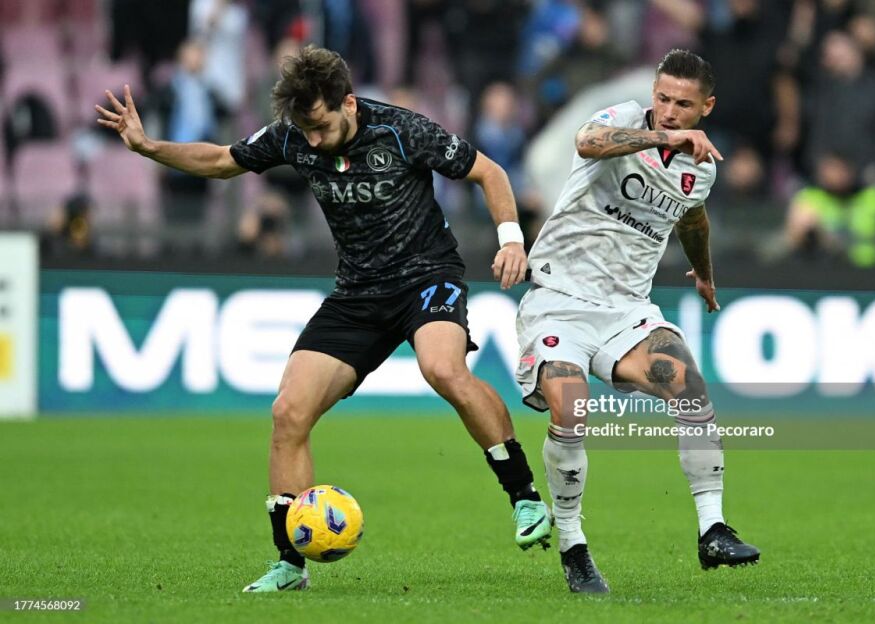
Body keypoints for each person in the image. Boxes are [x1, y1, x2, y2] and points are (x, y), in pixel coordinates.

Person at [96, 45, 551, 593]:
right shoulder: (291, 134)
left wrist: (511, 240)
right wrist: (148, 147)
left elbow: (489, 172)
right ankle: (290, 565)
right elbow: (220, 162)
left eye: (320, 126)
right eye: (304, 130)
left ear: (348, 104)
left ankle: (524, 497)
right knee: (288, 412)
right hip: (357, 294)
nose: (311, 141)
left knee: (442, 369)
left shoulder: (402, 130)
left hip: (426, 276)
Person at [515, 49, 760, 593]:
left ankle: (713, 529)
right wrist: (664, 136)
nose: (670, 111)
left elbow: (691, 217)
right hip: (559, 299)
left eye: (683, 105)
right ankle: (573, 546)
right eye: (663, 98)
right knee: (570, 406)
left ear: (707, 107)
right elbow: (587, 142)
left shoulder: (701, 167)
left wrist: (704, 274)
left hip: (625, 310)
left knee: (689, 386)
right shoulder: (624, 120)